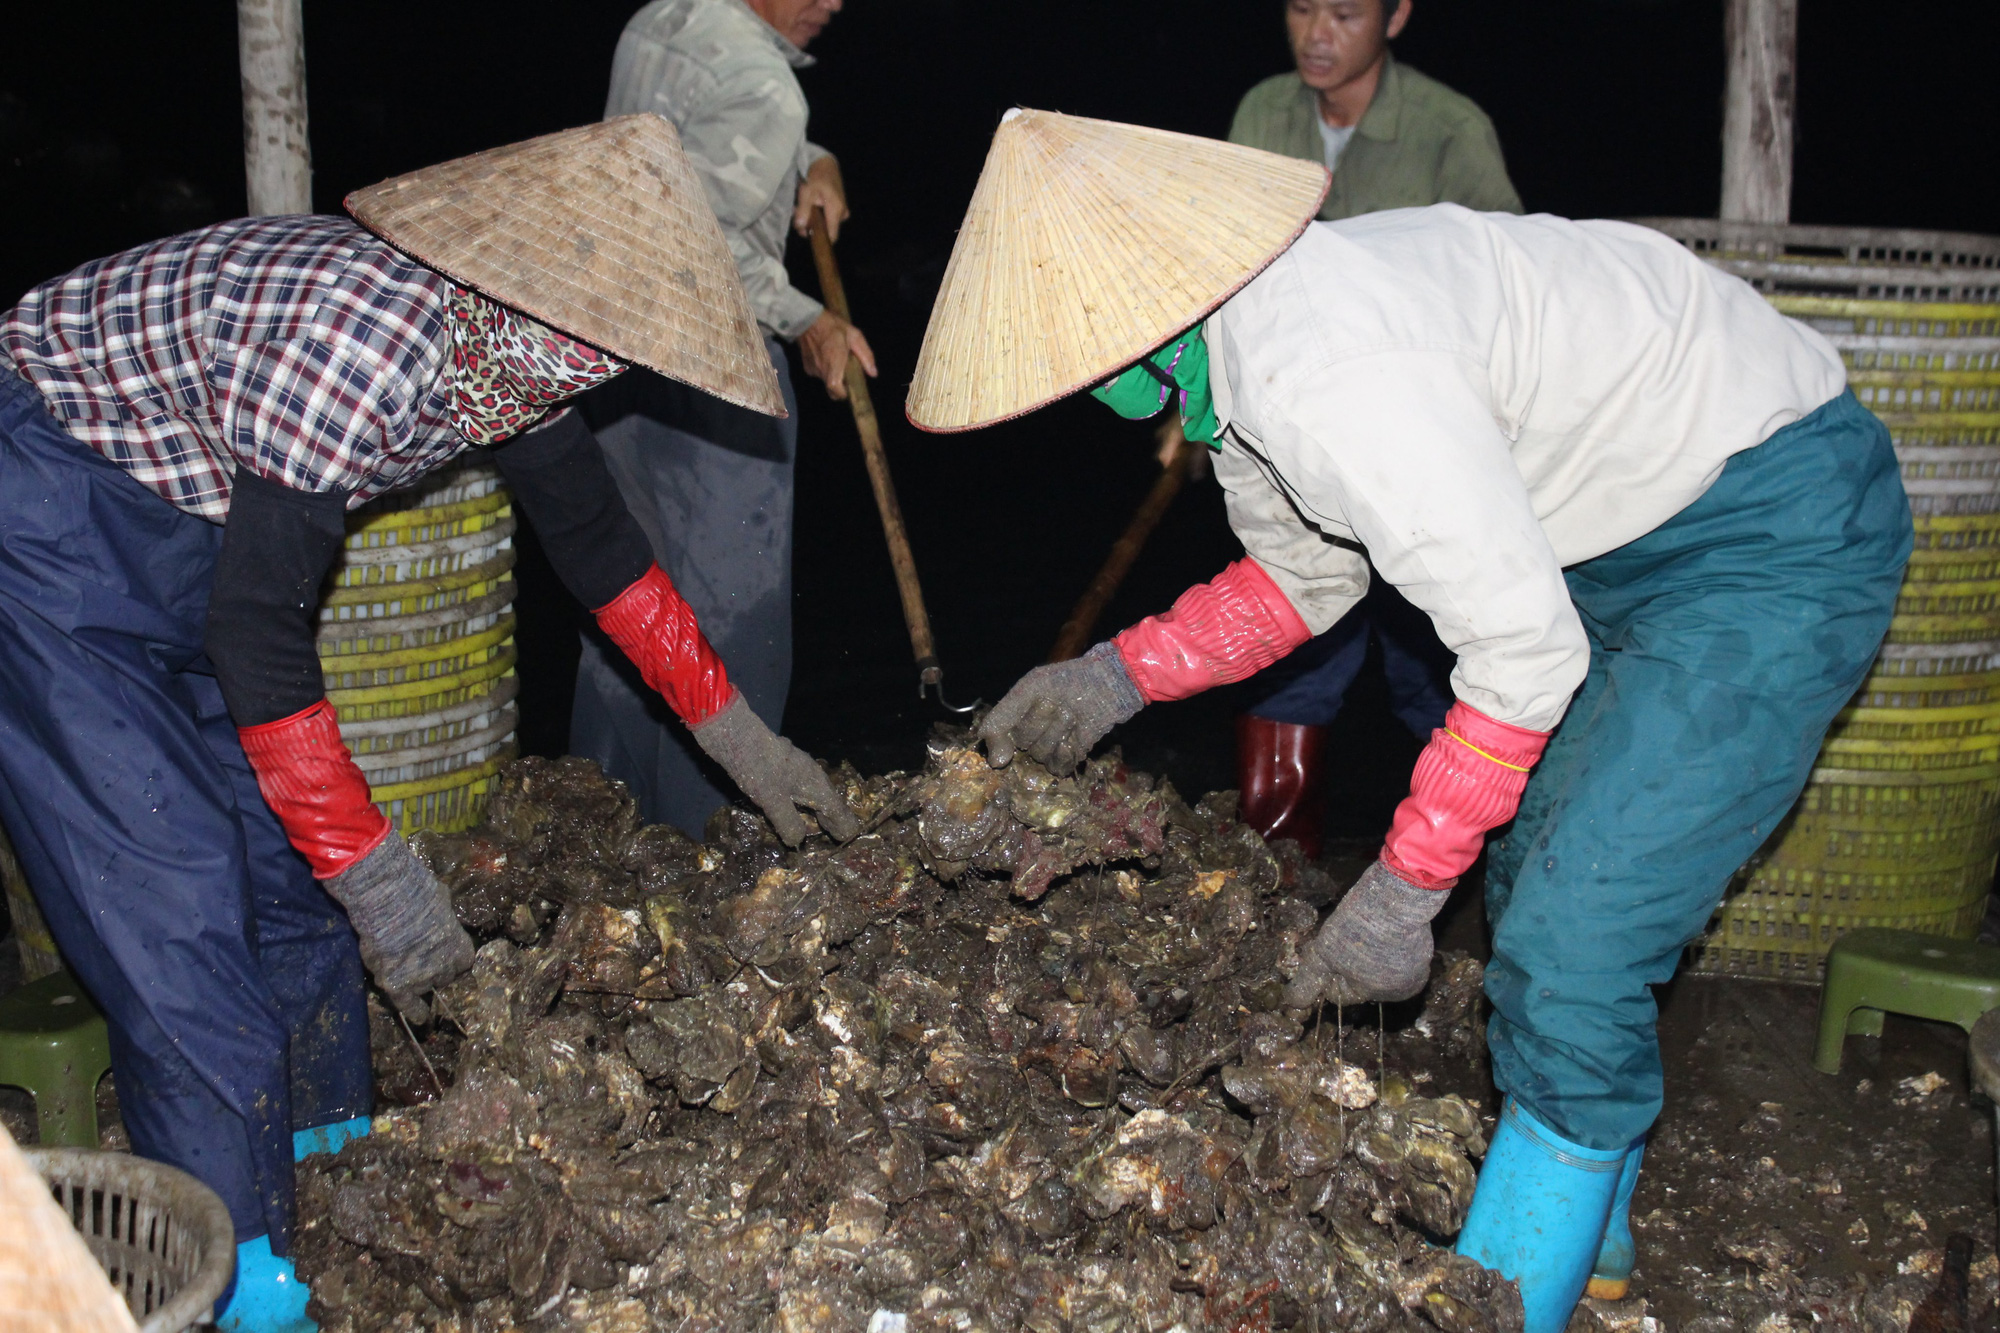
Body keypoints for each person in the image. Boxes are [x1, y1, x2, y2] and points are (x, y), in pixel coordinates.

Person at [906, 110, 1909, 1333]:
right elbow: (1307, 578)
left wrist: (1396, 889)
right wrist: (1114, 678)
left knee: (1577, 934)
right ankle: (1590, 1215)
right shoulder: (1239, 351)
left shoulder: (1325, 370)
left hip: (1766, 524)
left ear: (1129, 327)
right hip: (1602, 535)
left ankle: (1509, 1298)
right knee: (1545, 870)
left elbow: (1521, 653)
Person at [0, 117, 857, 1332]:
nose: (608, 375)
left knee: (292, 897)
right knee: (178, 915)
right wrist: (388, 877)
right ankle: (243, 1289)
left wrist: (743, 744)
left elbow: (602, 554)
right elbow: (260, 637)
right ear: (551, 299)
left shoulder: (512, 348)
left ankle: (336, 1172)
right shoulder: (368, 342)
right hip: (41, 511)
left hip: (182, 531)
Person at [1224, 0, 1523, 858]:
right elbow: (1226, 271)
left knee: (1441, 675)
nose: (1317, 32)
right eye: (1300, 8)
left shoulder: (1450, 130)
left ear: (1397, 16)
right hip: (1291, 452)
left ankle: (1462, 884)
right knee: (1289, 658)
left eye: (1346, 12)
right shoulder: (1261, 115)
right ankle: (1271, 891)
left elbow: (1502, 277)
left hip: (1421, 460)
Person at [576, 0, 876, 835]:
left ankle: (598, 829)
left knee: (625, 601)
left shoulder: (659, 19)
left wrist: (813, 161)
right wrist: (807, 320)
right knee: (733, 626)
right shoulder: (766, 85)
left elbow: (677, 153)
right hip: (712, 376)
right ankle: (715, 844)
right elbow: (694, 240)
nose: (832, 5)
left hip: (610, 362)